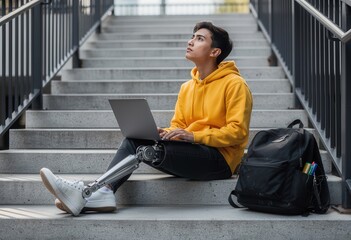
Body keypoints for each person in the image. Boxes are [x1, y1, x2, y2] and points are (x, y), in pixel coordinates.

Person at [40, 21, 253, 216]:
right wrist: (166, 133)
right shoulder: (187, 87)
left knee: (142, 147)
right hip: (194, 152)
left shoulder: (234, 84)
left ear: (215, 51)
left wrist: (193, 136)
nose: (190, 41)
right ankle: (102, 190)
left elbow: (238, 132)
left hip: (220, 161)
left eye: (200, 38)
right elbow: (179, 124)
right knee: (136, 140)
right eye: (193, 36)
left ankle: (91, 191)